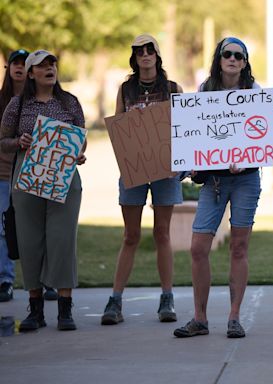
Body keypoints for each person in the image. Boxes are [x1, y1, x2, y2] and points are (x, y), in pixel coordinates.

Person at [173, 37, 261, 338]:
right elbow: (195, 135)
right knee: (198, 248)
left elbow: (258, 137)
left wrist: (245, 158)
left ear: (245, 62)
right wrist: (192, 164)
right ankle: (200, 318)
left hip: (245, 179)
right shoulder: (205, 90)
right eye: (228, 54)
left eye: (239, 55)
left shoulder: (254, 92)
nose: (233, 59)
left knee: (239, 246)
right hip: (213, 180)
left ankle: (234, 317)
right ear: (219, 58)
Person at [0, 50, 87, 330]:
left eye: (52, 64)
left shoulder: (70, 102)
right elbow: (3, 139)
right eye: (42, 65)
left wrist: (78, 152)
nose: (49, 68)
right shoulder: (18, 103)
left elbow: (81, 138)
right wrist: (18, 142)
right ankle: (35, 310)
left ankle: (65, 309)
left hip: (63, 175)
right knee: (30, 242)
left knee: (62, 241)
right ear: (30, 73)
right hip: (28, 174)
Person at [101, 34, 184, 325]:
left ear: (158, 56)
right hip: (133, 170)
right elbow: (119, 128)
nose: (145, 55)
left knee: (162, 233)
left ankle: (167, 297)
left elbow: (183, 129)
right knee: (130, 235)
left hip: (165, 171)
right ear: (134, 58)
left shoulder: (173, 88)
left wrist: (179, 163)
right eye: (140, 52)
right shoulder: (125, 89)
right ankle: (115, 299)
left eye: (150, 51)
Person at [0, 49, 28, 303]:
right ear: (8, 69)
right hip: (3, 174)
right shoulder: (1, 101)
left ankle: (45, 281)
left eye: (24, 63)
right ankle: (5, 281)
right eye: (14, 63)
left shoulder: (40, 100)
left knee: (36, 228)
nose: (19, 67)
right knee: (2, 228)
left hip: (32, 173)